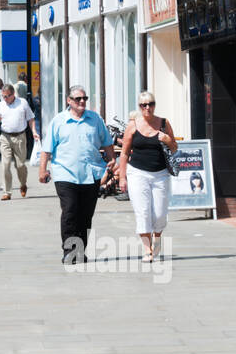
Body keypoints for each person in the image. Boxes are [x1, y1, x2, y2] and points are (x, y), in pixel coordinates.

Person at [37, 85, 116, 264]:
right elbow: (47, 148)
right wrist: (42, 170)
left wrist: (112, 159)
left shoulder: (95, 119)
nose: (82, 102)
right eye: (78, 99)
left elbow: (106, 141)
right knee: (70, 210)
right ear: (69, 101)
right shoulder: (59, 121)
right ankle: (69, 251)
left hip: (91, 173)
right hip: (65, 174)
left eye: (84, 98)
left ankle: (80, 251)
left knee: (86, 215)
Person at [115, 91, 177, 262]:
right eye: (144, 105)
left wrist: (167, 140)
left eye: (151, 104)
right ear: (139, 107)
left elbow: (174, 148)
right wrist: (122, 177)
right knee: (142, 212)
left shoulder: (164, 123)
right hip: (138, 173)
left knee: (160, 214)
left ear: (155, 105)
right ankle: (147, 249)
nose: (147, 108)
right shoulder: (133, 125)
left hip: (161, 174)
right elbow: (124, 153)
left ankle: (157, 238)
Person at [0, 84, 38, 201]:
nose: (5, 99)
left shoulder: (22, 103)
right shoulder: (0, 105)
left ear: (13, 94)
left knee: (20, 165)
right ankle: (7, 192)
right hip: (5, 137)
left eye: (7, 96)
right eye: (3, 96)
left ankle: (23, 184)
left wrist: (34, 131)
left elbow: (31, 118)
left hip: (20, 137)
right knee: (5, 165)